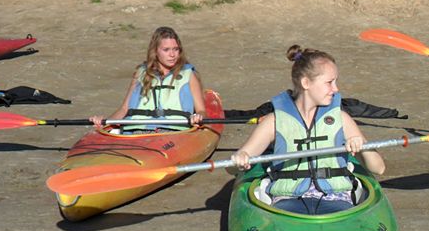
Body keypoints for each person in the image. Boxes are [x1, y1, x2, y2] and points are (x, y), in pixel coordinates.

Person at [230, 45, 385, 214]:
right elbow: (231, 168)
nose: (336, 89)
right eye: (329, 82)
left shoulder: (341, 118)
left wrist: (362, 147)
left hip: (336, 199)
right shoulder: (273, 121)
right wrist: (240, 160)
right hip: (288, 201)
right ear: (306, 83)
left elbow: (379, 168)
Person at [89, 26, 205, 130]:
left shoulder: (188, 75)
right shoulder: (141, 73)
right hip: (136, 130)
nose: (172, 55)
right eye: (166, 50)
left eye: (176, 49)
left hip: (173, 131)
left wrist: (198, 117)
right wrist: (105, 123)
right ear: (155, 51)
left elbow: (201, 110)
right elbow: (124, 109)